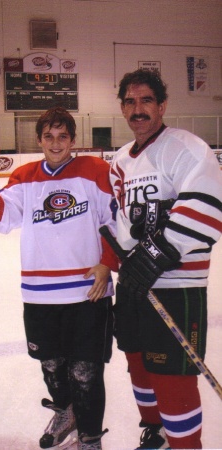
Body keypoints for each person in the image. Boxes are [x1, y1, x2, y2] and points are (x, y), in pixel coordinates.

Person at [0, 107, 118, 450]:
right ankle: (67, 411)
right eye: (49, 137)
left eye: (62, 136)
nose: (55, 143)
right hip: (39, 293)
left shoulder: (95, 171)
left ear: (73, 140)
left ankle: (90, 438)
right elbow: (0, 218)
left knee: (86, 372)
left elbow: (116, 219)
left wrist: (107, 262)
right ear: (39, 140)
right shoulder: (25, 177)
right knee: (51, 366)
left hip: (88, 292)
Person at [109, 69, 222, 449]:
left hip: (177, 287)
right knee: (138, 363)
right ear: (122, 107)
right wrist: (127, 261)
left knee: (172, 377)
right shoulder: (121, 160)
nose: (137, 108)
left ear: (162, 105)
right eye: (130, 101)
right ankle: (154, 431)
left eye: (145, 100)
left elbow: (207, 210)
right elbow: (122, 221)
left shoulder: (186, 147)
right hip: (135, 286)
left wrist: (155, 255)